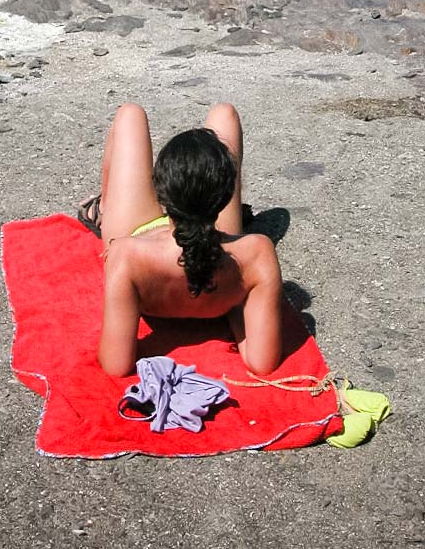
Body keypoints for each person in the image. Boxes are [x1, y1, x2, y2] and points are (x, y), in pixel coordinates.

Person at [79, 103, 284, 377]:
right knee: (225, 113)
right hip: (211, 237)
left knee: (131, 114)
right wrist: (236, 302)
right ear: (227, 197)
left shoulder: (126, 255)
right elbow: (262, 363)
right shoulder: (257, 253)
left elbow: (116, 365)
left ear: (162, 195)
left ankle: (101, 207)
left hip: (143, 237)